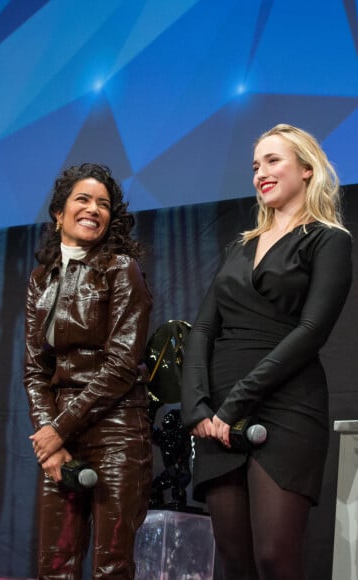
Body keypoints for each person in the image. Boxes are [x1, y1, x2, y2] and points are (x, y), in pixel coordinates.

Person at [180, 124, 353, 580]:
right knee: (234, 561)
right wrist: (198, 406)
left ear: (307, 168)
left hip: (286, 407)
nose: (261, 173)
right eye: (255, 165)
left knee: (275, 558)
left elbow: (312, 330)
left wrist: (236, 402)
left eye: (273, 161)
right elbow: (202, 329)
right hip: (217, 417)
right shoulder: (240, 246)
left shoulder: (329, 239)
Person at [24, 163, 153, 579]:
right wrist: (52, 441)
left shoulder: (121, 269)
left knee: (111, 568)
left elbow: (121, 364)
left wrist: (57, 429)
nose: (94, 209)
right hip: (61, 437)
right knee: (54, 566)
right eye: (83, 199)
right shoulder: (41, 279)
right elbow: (34, 370)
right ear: (58, 213)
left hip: (116, 431)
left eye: (104, 204)